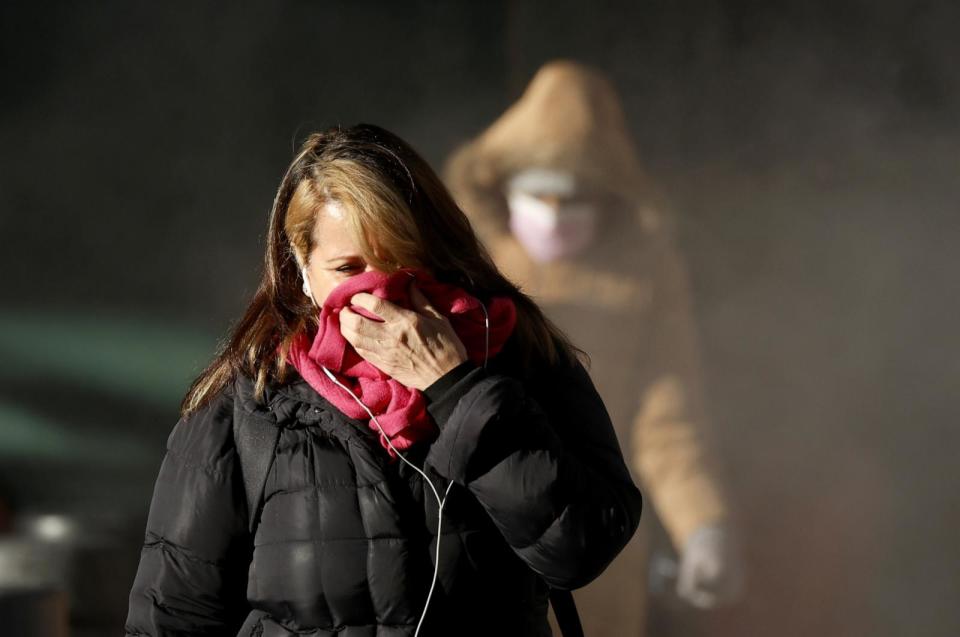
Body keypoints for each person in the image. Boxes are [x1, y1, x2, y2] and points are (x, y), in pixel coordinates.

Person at [124, 123, 642, 637]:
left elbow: (581, 550)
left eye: (400, 262)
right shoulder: (249, 405)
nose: (379, 291)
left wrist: (457, 388)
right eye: (348, 269)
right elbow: (172, 619)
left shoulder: (519, 361)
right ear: (301, 268)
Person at [444, 61, 744, 636]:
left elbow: (668, 415)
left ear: (609, 196)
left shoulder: (644, 273)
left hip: (595, 536)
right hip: (478, 523)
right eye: (539, 192)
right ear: (502, 183)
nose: (554, 214)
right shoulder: (462, 257)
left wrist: (703, 524)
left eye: (574, 196)